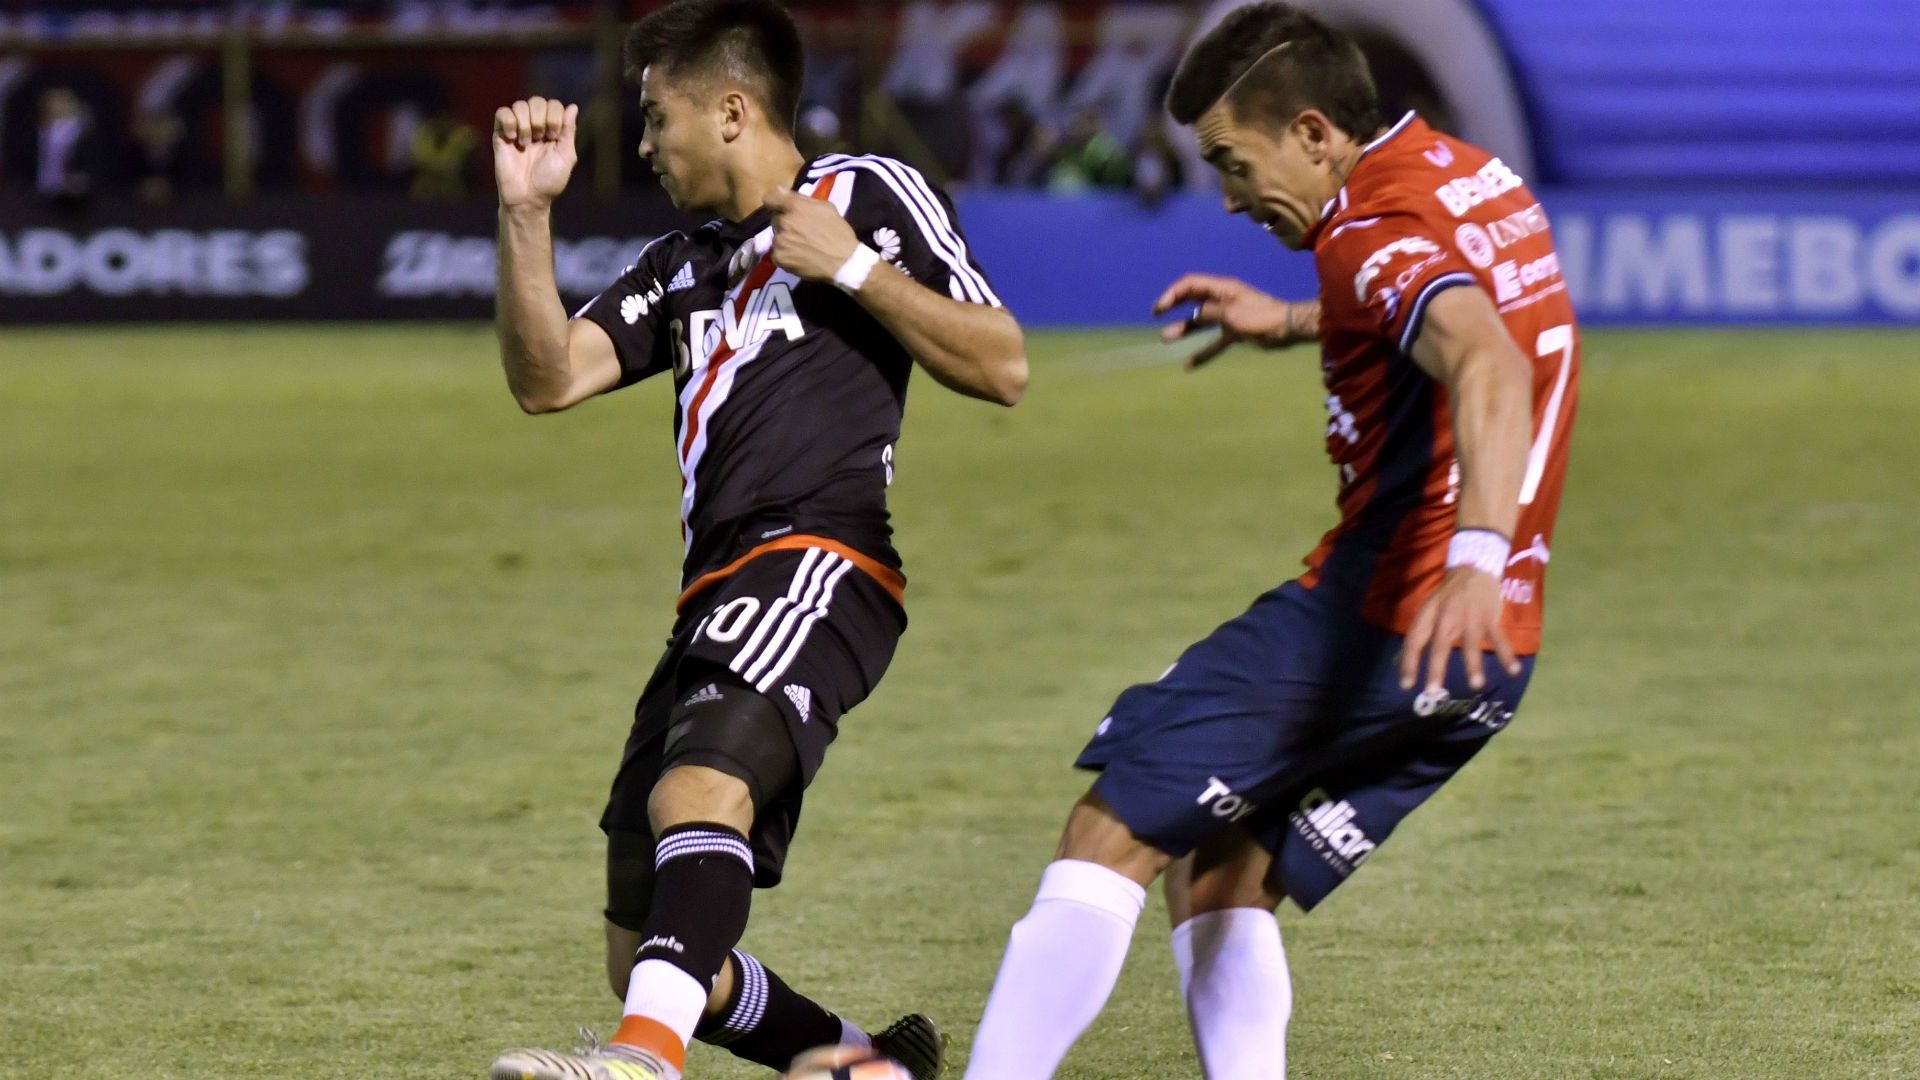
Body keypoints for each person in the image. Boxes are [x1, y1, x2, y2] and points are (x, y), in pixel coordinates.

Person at [961, 4, 1579, 1078]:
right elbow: (1452, 308)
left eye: (1233, 164)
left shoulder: (1366, 231)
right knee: (1223, 871)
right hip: (1491, 653)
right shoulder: (1471, 180)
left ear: (1312, 133)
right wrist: (1292, 319)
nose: (1230, 198)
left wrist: (1474, 557)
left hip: (1393, 615)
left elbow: (1486, 358)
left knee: (1112, 828)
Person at [485, 2, 1027, 1079]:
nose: (645, 146)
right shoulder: (680, 263)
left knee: (697, 793)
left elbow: (1003, 362)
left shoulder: (864, 194)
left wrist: (853, 269)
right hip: (714, 594)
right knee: (646, 949)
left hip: (823, 559)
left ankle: (643, 1062)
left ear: (731, 112)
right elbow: (548, 380)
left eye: (656, 118)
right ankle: (865, 1063)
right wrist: (525, 214)